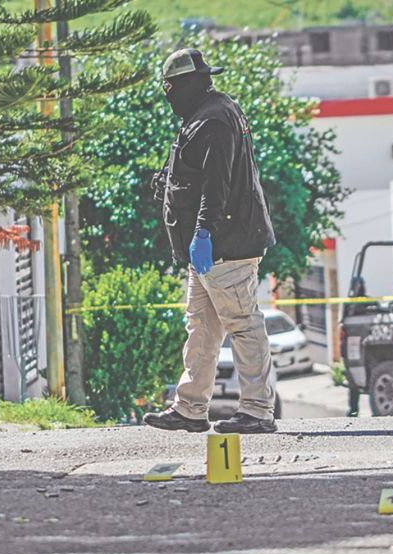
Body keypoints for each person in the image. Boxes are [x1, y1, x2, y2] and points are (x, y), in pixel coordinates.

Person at [142, 48, 278, 434]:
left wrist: (203, 232)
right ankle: (190, 407)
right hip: (206, 251)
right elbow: (197, 173)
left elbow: (216, 188)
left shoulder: (214, 120)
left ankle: (256, 410)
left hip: (224, 245)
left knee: (243, 324)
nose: (167, 94)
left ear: (184, 84)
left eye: (169, 87)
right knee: (202, 326)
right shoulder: (206, 113)